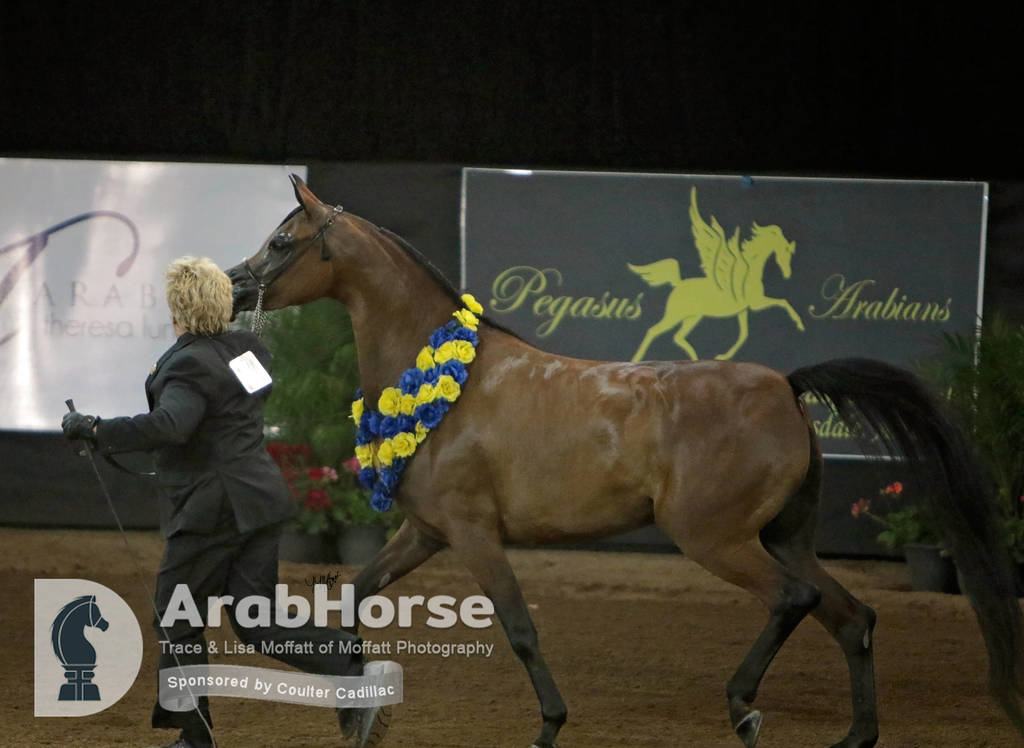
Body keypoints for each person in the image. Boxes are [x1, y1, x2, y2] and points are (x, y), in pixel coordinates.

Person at [62, 256, 395, 748]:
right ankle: (352, 668)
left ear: (177, 309)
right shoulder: (246, 350)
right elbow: (244, 397)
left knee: (176, 620)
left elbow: (172, 426)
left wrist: (96, 429)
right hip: (257, 501)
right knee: (255, 618)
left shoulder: (189, 364)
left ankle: (195, 742)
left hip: (212, 510)